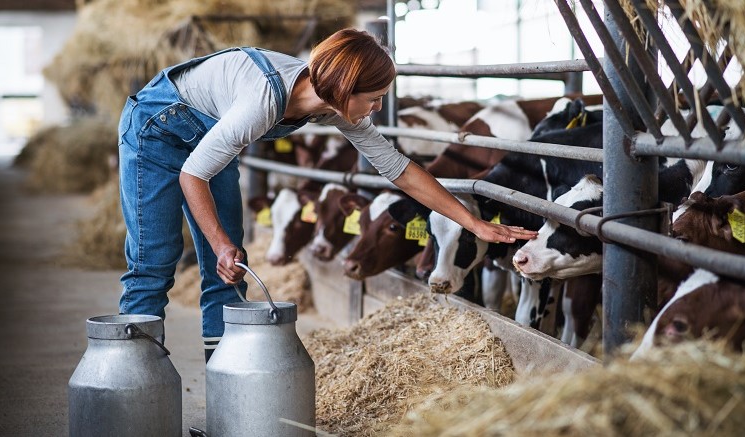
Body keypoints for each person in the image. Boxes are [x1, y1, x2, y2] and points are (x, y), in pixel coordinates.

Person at [117, 28, 538, 362]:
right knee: (155, 259)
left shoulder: (334, 103)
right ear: (345, 87)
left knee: (229, 271)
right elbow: (193, 175)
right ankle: (133, 386)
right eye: (373, 100)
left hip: (213, 136)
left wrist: (474, 223)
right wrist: (219, 242)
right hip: (158, 128)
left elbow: (401, 171)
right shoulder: (263, 101)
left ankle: (229, 393)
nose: (376, 109)